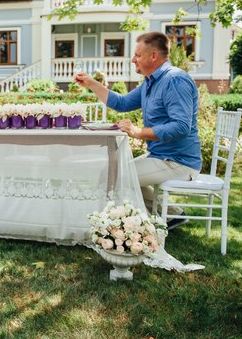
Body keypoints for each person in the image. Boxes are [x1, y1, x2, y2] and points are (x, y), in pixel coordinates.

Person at [74, 31, 201, 229]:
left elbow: (182, 126)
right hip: (160, 156)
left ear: (153, 56)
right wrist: (91, 83)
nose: (133, 60)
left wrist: (138, 131)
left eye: (138, 55)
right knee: (113, 171)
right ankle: (172, 215)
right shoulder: (151, 83)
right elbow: (122, 103)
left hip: (178, 161)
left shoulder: (175, 81)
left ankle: (117, 228)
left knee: (113, 176)